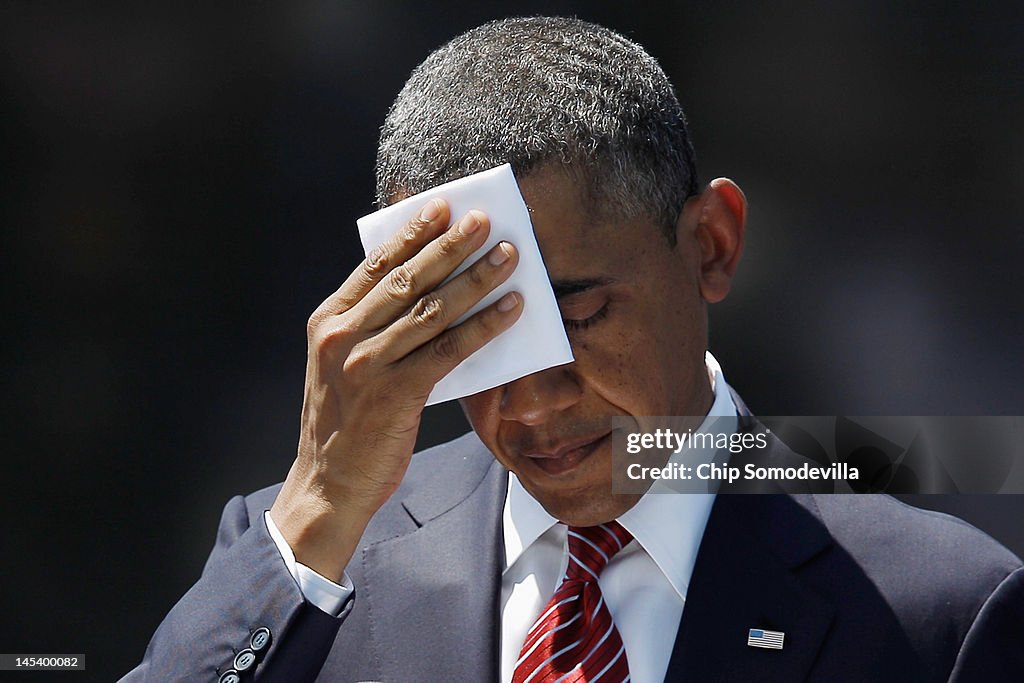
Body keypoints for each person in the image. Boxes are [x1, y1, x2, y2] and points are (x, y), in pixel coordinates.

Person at [123, 16, 1024, 683]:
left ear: (710, 244)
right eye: (463, 339)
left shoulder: (943, 610)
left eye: (578, 316)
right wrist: (320, 501)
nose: (531, 403)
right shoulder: (308, 558)